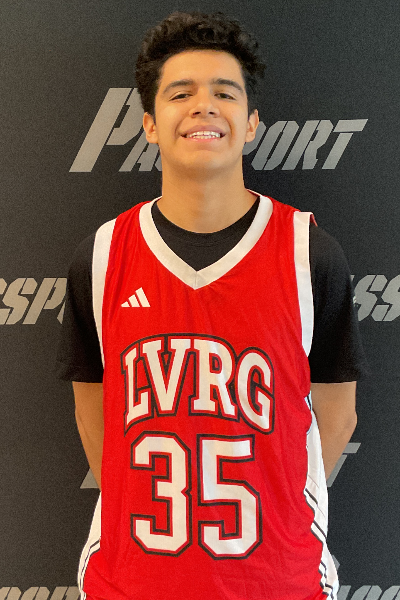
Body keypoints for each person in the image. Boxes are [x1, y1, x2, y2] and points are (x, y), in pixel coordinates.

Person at [56, 11, 367, 600]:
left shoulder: (309, 254)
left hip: (278, 580)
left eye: (225, 93)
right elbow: (93, 410)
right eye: (181, 94)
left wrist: (274, 501)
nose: (204, 107)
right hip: (133, 578)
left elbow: (337, 411)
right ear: (150, 124)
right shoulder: (100, 257)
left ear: (251, 123)